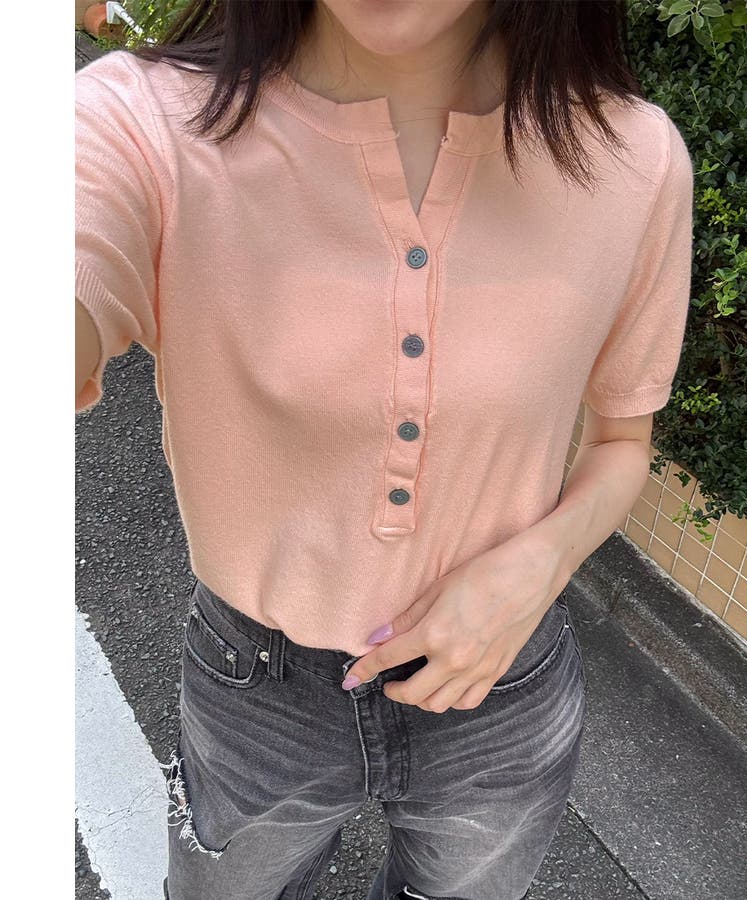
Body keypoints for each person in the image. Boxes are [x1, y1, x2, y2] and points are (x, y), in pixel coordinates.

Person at [75, 1, 694, 898]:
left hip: (501, 684)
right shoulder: (144, 126)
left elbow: (623, 440)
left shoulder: (632, 158)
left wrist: (541, 566)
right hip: (256, 687)